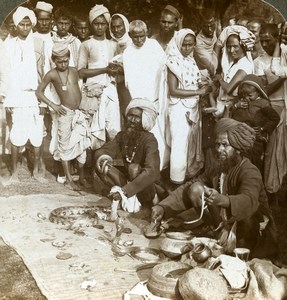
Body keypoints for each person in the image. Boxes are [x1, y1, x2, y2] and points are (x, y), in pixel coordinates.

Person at [146, 118, 277, 259]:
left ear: (238, 149)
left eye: (225, 145)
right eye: (217, 144)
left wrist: (223, 200)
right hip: (227, 222)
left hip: (252, 228)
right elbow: (190, 186)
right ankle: (219, 232)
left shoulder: (250, 171)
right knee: (196, 188)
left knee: (248, 220)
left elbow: (248, 200)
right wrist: (163, 207)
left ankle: (241, 248)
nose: (219, 149)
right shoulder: (219, 167)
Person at [36, 44, 91, 191]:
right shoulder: (52, 74)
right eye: (59, 61)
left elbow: (87, 73)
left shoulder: (73, 71)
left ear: (69, 59)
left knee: (82, 144)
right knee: (64, 146)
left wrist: (106, 69)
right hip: (65, 113)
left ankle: (82, 178)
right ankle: (68, 180)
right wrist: (53, 105)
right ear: (54, 60)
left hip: (79, 113)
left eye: (66, 61)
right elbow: (39, 92)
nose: (63, 64)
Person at [93, 98, 160, 217]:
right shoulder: (122, 135)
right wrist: (103, 156)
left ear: (144, 120)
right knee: (103, 164)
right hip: (127, 182)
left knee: (134, 169)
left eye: (137, 117)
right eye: (130, 116)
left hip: (144, 185)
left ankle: (147, 205)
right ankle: (122, 198)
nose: (132, 120)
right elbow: (106, 149)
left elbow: (151, 171)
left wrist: (126, 190)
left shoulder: (150, 139)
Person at [3, 7, 47, 185]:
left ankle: (36, 170)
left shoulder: (38, 43)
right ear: (16, 24)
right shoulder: (8, 44)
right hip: (17, 95)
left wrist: (44, 100)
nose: (25, 27)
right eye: (22, 23)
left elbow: (44, 71)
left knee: (37, 134)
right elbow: (6, 72)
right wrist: (7, 97)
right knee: (16, 135)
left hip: (35, 95)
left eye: (28, 24)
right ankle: (14, 173)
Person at [166, 28, 211, 184]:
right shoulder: (173, 61)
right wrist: (198, 91)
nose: (186, 48)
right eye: (184, 45)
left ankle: (186, 180)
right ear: (178, 44)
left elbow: (194, 82)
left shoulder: (191, 61)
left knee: (190, 144)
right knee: (179, 146)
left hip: (192, 107)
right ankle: (175, 181)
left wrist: (202, 86)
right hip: (179, 109)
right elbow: (173, 90)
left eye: (190, 45)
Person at [122, 20, 167, 169]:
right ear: (130, 35)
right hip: (138, 103)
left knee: (157, 139)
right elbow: (130, 81)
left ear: (146, 33)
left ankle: (156, 172)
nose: (139, 40)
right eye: (135, 37)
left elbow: (163, 69)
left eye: (142, 36)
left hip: (154, 100)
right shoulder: (128, 52)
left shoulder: (154, 46)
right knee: (137, 140)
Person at [78, 4, 120, 151]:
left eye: (103, 23)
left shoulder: (114, 44)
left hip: (110, 89)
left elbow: (119, 69)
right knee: (94, 129)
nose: (100, 27)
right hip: (92, 90)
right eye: (96, 23)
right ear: (91, 24)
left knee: (113, 127)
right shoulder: (86, 44)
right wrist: (104, 69)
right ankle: (92, 169)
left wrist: (115, 71)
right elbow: (81, 72)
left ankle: (108, 163)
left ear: (107, 25)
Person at [230, 74, 280, 174]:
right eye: (244, 95)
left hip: (255, 141)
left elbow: (275, 118)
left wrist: (263, 129)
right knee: (238, 163)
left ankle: (255, 184)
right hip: (238, 138)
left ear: (258, 93)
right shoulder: (239, 102)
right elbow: (230, 115)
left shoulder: (263, 103)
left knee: (253, 164)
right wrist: (236, 106)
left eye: (250, 95)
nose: (246, 98)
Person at [211, 25, 255, 117]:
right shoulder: (233, 64)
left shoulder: (245, 65)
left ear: (243, 47)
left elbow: (229, 89)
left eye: (235, 46)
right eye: (229, 46)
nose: (231, 50)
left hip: (234, 110)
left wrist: (220, 79)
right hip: (225, 107)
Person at [194, 9, 218, 77]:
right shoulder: (198, 43)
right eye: (206, 26)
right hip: (204, 77)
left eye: (212, 26)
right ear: (201, 25)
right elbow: (212, 68)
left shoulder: (214, 33)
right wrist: (217, 46)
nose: (209, 29)